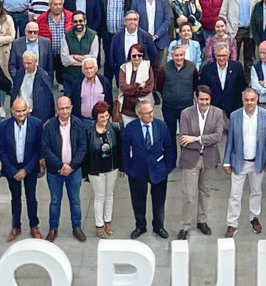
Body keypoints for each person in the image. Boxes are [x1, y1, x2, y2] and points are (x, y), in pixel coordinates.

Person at [175, 85, 226, 238]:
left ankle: (202, 220)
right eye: (201, 99)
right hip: (190, 159)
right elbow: (183, 139)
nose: (204, 102)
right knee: (189, 195)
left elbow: (218, 136)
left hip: (209, 159)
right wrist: (202, 140)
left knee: (205, 192)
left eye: (207, 99)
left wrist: (196, 139)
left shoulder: (217, 113)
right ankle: (185, 225)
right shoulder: (186, 114)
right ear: (196, 99)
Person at [224, 87, 266, 234]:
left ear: (257, 100)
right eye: (246, 100)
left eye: (252, 100)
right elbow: (230, 140)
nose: (249, 103)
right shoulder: (235, 115)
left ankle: (254, 217)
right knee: (235, 194)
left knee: (256, 191)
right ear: (242, 100)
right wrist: (227, 161)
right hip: (239, 161)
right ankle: (232, 223)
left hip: (258, 161)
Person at [122, 96, 173, 238]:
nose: (151, 114)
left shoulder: (161, 126)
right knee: (138, 201)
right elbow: (125, 150)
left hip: (158, 171)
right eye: (147, 112)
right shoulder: (131, 128)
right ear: (139, 114)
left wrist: (166, 168)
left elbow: (169, 148)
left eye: (151, 111)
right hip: (137, 171)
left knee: (159, 201)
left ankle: (158, 226)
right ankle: (140, 226)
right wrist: (128, 169)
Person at [42, 94, 89, 242]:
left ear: (71, 108)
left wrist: (72, 166)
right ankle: (52, 229)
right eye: (61, 108)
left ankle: (77, 227)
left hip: (73, 171)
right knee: (55, 200)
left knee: (75, 200)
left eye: (67, 108)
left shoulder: (78, 124)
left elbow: (83, 147)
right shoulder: (49, 126)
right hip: (55, 171)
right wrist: (60, 165)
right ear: (57, 109)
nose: (64, 111)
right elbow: (46, 149)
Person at [0, 95, 44, 240]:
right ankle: (16, 226)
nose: (21, 114)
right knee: (15, 198)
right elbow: (1, 150)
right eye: (18, 111)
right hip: (12, 168)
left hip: (29, 167)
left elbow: (39, 149)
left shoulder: (36, 124)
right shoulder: (4, 126)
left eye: (24, 110)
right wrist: (12, 170)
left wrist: (26, 170)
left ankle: (34, 226)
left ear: (28, 109)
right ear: (12, 111)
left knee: (31, 198)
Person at [83, 101, 123, 236]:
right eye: (102, 117)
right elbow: (85, 154)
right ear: (96, 117)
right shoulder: (89, 132)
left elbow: (119, 149)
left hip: (112, 168)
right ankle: (99, 225)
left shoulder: (114, 129)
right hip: (96, 170)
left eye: (106, 116)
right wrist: (85, 173)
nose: (105, 119)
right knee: (100, 197)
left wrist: (121, 167)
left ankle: (108, 221)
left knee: (110, 195)